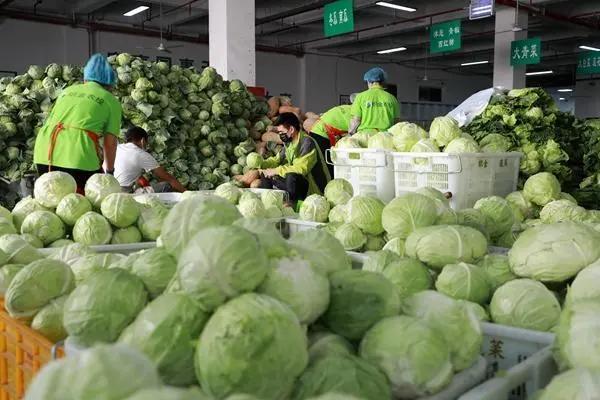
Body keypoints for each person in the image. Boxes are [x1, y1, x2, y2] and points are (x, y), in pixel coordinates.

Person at [33, 53, 121, 192]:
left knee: (51, 199)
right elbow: (110, 144)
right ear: (110, 83)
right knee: (86, 203)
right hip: (78, 155)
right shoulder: (110, 100)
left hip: (44, 151)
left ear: (86, 78)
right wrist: (110, 171)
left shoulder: (67, 91)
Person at [251, 113, 331, 203]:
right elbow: (277, 160)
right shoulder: (289, 143)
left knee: (291, 176)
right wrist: (262, 164)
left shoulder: (307, 143)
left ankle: (291, 206)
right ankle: (267, 203)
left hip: (314, 189)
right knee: (266, 175)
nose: (280, 135)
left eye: (282, 132)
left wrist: (276, 171)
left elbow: (301, 169)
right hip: (298, 184)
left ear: (291, 129)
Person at [114, 126, 186, 193]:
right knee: (166, 185)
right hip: (125, 193)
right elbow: (168, 178)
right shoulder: (142, 154)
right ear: (142, 140)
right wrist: (187, 193)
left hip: (111, 188)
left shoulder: (117, 147)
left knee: (138, 183)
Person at [348, 67, 400, 136]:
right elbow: (396, 122)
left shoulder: (360, 97)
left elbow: (356, 120)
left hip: (365, 136)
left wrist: (351, 133)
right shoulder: (392, 98)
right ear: (383, 82)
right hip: (385, 137)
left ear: (369, 81)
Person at [309, 104, 352, 176]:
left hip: (317, 131)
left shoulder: (347, 107)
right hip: (321, 134)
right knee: (328, 166)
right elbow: (354, 132)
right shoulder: (355, 114)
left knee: (326, 164)